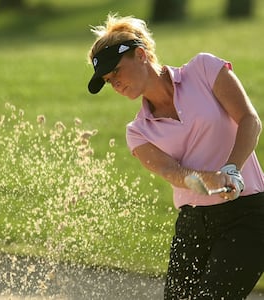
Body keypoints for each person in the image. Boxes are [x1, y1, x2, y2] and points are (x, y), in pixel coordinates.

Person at [87, 13, 264, 299]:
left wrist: (232, 169)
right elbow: (174, 174)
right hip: (193, 225)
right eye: (108, 80)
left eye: (116, 71)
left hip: (247, 215)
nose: (115, 84)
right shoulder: (138, 132)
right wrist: (208, 181)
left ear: (141, 55)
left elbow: (249, 120)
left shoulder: (204, 70)